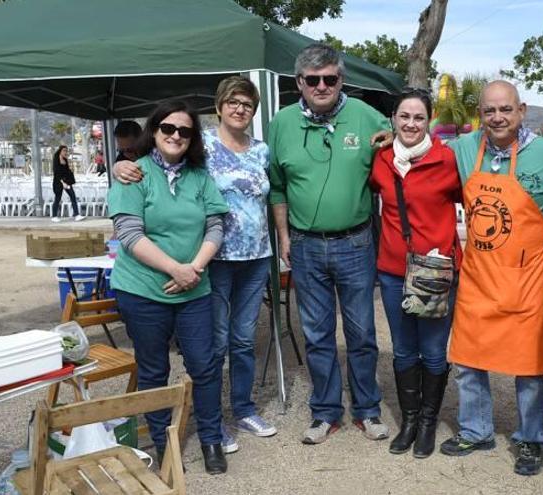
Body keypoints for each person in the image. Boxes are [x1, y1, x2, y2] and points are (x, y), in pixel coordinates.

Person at [113, 76, 279, 455]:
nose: (240, 109)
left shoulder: (261, 150)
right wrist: (121, 165)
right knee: (213, 344)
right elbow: (153, 174)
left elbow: (275, 192)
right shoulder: (199, 144)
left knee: (242, 339)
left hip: (255, 255)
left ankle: (243, 408)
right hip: (213, 262)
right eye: (233, 102)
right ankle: (213, 421)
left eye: (248, 104)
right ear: (219, 106)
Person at [268, 43, 391, 445]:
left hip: (355, 243)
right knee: (317, 334)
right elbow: (277, 188)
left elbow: (400, 138)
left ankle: (368, 410)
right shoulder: (282, 122)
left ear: (341, 80)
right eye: (313, 80)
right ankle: (325, 412)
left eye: (330, 79)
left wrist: (390, 136)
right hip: (304, 245)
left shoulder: (364, 114)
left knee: (361, 333)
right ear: (299, 83)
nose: (322, 86)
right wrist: (284, 237)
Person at [438, 80, 543, 477]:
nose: (497, 117)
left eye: (505, 109)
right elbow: (421, 151)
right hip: (479, 275)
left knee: (529, 365)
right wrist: (388, 139)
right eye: (489, 111)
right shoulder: (464, 148)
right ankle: (476, 430)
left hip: (528, 278)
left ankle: (530, 438)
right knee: (468, 359)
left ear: (521, 110)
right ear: (480, 113)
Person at [107, 99, 230, 474]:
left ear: (192, 137)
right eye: (168, 128)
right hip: (143, 289)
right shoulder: (133, 174)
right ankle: (163, 443)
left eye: (185, 130)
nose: (176, 135)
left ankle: (211, 438)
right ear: (155, 130)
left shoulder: (199, 176)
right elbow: (128, 232)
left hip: (194, 287)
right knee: (153, 369)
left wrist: (192, 268)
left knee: (204, 366)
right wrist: (174, 268)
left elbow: (216, 225)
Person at [369, 88, 462, 458]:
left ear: (429, 120)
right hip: (393, 269)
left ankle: (427, 422)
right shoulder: (380, 160)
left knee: (434, 350)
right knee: (404, 349)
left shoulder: (447, 160)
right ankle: (408, 420)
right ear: (393, 118)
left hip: (435, 271)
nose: (411, 123)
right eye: (404, 116)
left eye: (419, 117)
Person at [50, 145, 85, 222]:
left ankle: (77, 214)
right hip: (58, 182)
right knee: (58, 198)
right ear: (60, 151)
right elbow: (56, 173)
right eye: (64, 151)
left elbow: (66, 171)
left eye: (66, 151)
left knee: (73, 196)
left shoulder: (65, 160)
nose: (65, 152)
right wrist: (62, 183)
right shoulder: (56, 160)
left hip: (66, 181)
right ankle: (54, 215)